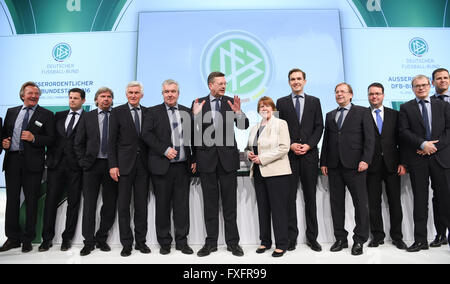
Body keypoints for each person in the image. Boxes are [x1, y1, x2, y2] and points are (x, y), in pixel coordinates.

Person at [191, 71, 249, 257]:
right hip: (206, 161)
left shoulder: (231, 102)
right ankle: (211, 243)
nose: (224, 86)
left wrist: (239, 113)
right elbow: (192, 133)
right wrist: (195, 117)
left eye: (225, 83)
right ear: (210, 85)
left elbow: (243, 126)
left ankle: (233, 243)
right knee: (210, 205)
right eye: (220, 83)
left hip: (228, 161)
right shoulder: (199, 102)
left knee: (230, 205)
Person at [0, 81, 55, 253]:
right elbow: (4, 135)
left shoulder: (46, 114)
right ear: (22, 95)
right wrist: (4, 143)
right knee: (12, 201)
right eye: (30, 93)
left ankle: (27, 239)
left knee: (32, 201)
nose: (34, 96)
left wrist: (34, 138)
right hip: (13, 161)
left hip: (33, 164)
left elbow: (52, 139)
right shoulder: (11, 112)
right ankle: (12, 238)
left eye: (37, 93)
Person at [320, 82, 374, 256]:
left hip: (356, 166)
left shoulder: (363, 112)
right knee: (336, 205)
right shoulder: (329, 115)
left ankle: (359, 240)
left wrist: (366, 159)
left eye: (343, 91)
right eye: (336, 92)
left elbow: (370, 139)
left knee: (360, 204)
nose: (339, 94)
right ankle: (340, 239)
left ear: (351, 94)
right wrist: (324, 162)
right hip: (334, 166)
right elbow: (326, 141)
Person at [142, 79, 196, 255]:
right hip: (161, 166)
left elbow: (192, 138)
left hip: (182, 167)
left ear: (178, 94)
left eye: (173, 91)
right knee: (163, 206)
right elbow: (146, 135)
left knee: (182, 207)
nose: (170, 94)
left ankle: (182, 241)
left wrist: (193, 158)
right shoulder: (152, 112)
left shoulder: (187, 112)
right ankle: (164, 242)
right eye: (166, 91)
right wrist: (164, 150)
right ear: (162, 94)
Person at [399, 74, 450, 252]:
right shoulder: (406, 108)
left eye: (423, 85)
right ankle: (421, 240)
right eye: (417, 86)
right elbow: (403, 131)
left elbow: (448, 130)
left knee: (445, 200)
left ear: (430, 85)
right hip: (418, 159)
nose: (421, 88)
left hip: (440, 159)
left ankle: (445, 236)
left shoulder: (443, 105)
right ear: (412, 88)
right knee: (420, 201)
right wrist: (422, 144)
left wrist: (433, 147)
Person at [276, 68, 324, 251]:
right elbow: (277, 129)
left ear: (304, 81)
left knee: (310, 198)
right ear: (289, 82)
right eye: (292, 79)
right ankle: (291, 238)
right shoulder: (281, 102)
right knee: (289, 199)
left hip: (310, 157)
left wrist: (309, 145)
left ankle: (312, 238)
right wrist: (290, 145)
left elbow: (319, 127)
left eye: (298, 79)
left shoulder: (314, 101)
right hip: (289, 157)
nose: (296, 82)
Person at [39, 88, 86, 252]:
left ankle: (67, 239)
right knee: (50, 203)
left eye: (76, 98)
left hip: (76, 168)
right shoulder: (58, 115)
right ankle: (46, 239)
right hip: (55, 166)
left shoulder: (88, 118)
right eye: (70, 98)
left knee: (73, 203)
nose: (72, 100)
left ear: (83, 101)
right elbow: (51, 138)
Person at [74, 87, 118, 256]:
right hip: (91, 166)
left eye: (109, 96)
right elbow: (78, 142)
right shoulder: (87, 116)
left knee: (109, 204)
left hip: (111, 166)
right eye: (102, 96)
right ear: (96, 99)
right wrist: (83, 162)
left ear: (112, 100)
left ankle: (102, 238)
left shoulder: (117, 115)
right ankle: (88, 241)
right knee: (89, 205)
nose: (106, 99)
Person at [108, 81, 150, 257]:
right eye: (130, 93)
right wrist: (113, 165)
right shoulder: (117, 112)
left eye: (136, 92)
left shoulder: (149, 112)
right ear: (126, 95)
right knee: (124, 206)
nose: (133, 95)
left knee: (141, 206)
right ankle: (127, 243)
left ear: (141, 94)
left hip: (144, 166)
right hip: (124, 166)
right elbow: (111, 141)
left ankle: (141, 242)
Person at [246, 96, 291, 257]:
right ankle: (265, 241)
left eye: (267, 106)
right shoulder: (255, 127)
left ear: (273, 108)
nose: (264, 109)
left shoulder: (281, 124)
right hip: (258, 172)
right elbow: (248, 147)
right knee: (263, 209)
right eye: (261, 106)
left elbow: (284, 148)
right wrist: (249, 154)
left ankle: (282, 243)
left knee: (278, 210)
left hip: (277, 173)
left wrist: (262, 158)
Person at [365, 82, 407, 250]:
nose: (374, 96)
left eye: (377, 93)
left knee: (395, 203)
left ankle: (397, 236)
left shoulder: (395, 115)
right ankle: (377, 236)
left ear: (383, 95)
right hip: (371, 166)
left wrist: (403, 162)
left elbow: (401, 141)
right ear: (368, 96)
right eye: (371, 94)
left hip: (393, 165)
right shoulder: (362, 115)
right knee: (373, 204)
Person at [429, 68, 450, 247]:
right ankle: (441, 234)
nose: (442, 81)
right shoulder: (428, 103)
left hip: (441, 151)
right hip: (438, 158)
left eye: (445, 78)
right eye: (438, 78)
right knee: (440, 197)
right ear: (433, 82)